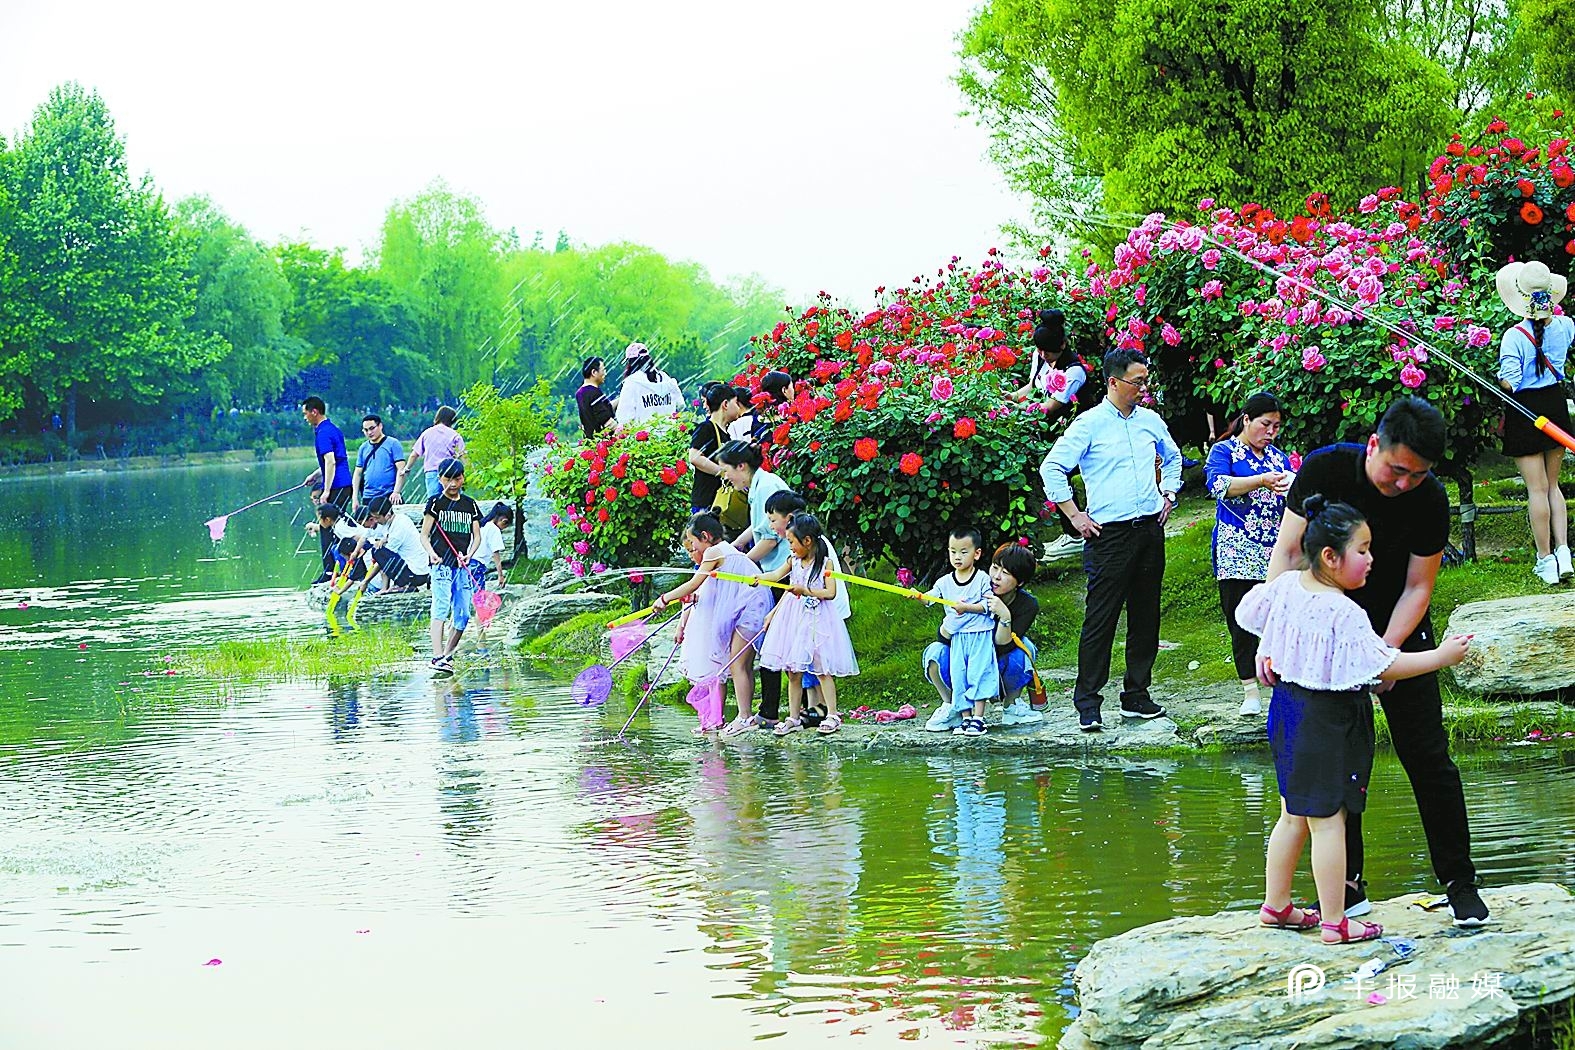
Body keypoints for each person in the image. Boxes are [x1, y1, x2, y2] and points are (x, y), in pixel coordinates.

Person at [1266, 396, 1489, 927]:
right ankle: (1347, 892)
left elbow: (1419, 587)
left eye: (1418, 474)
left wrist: (1381, 655)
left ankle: (1460, 884)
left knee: (1428, 756)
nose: (1404, 483)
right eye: (1397, 470)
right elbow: (1289, 554)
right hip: (1322, 637)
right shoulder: (1326, 469)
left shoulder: (1428, 499)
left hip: (1396, 629)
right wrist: (1276, 637)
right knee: (1335, 765)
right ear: (1374, 446)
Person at [1239, 496, 1470, 944]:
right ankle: (1334, 921)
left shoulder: (1286, 587)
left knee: (1292, 814)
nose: (1371, 560)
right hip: (1327, 721)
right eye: (1362, 551)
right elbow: (1382, 666)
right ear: (1330, 556)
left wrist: (1274, 645)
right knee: (1329, 822)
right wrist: (1441, 657)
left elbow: (1249, 613)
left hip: (1285, 712)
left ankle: (1277, 906)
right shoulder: (1344, 612)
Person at [1039, 348, 1182, 731]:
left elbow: (1173, 457)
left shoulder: (1150, 421)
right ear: (1113, 382)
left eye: (1145, 381)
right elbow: (1052, 467)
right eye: (1137, 382)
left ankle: (1136, 695)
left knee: (1146, 616)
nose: (1143, 388)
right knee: (1100, 619)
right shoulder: (1089, 425)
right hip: (1108, 535)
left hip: (1149, 530)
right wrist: (1074, 517)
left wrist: (1168, 494)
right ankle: (1088, 702)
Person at [1204, 392, 1295, 716]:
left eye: (1276, 426)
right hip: (1236, 548)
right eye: (1265, 424)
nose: (1271, 432)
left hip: (1276, 551)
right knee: (1241, 621)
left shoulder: (1279, 458)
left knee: (1279, 620)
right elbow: (1217, 485)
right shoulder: (1224, 450)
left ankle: (1282, 686)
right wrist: (1260, 481)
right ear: (1247, 420)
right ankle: (1249, 691)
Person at [652, 512, 773, 736]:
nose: (692, 548)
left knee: (737, 664)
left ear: (705, 537)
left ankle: (745, 717)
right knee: (740, 664)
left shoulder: (715, 551)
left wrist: (664, 598)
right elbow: (705, 589)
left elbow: (694, 582)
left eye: (693, 542)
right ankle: (737, 716)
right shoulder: (725, 552)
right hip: (750, 607)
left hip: (751, 609)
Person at [1494, 260, 1572, 586]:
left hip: (1525, 410)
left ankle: (1546, 560)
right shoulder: (1566, 327)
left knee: (1536, 490)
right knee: (1553, 486)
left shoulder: (1514, 337)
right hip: (1554, 406)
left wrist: (1501, 379)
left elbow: (1511, 381)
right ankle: (1565, 551)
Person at [755, 513, 858, 736]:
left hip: (819, 619)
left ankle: (832, 714)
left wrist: (806, 591)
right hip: (795, 619)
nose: (790, 546)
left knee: (822, 668)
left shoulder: (825, 563)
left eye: (792, 542)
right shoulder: (793, 561)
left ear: (807, 541)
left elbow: (830, 592)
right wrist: (760, 578)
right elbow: (775, 574)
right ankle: (793, 718)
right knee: (793, 671)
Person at [922, 541, 1043, 730]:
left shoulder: (1027, 605)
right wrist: (957, 617)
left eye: (1006, 573)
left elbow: (1003, 645)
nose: (996, 577)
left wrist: (1005, 616)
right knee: (934, 652)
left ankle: (1011, 706)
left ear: (1019, 582)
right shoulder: (974, 588)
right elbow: (944, 638)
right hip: (963, 660)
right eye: (995, 568)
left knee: (1025, 648)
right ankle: (951, 706)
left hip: (997, 663)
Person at [717, 440, 791, 729]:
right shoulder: (758, 486)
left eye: (726, 472)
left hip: (782, 571)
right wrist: (735, 547)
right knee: (770, 640)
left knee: (772, 640)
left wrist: (742, 565)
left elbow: (772, 538)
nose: (725, 478)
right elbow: (759, 527)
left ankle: (770, 710)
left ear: (741, 466)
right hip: (774, 570)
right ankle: (769, 708)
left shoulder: (765, 487)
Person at [920, 526, 1000, 737]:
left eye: (963, 552)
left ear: (977, 553)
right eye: (953, 551)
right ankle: (965, 719)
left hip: (980, 636)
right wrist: (918, 596)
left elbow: (987, 605)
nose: (957, 557)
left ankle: (979, 719)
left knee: (978, 674)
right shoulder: (945, 582)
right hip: (958, 639)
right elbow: (931, 598)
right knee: (959, 676)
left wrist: (967, 608)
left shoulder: (982, 578)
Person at [421, 458, 483, 671]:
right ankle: (437, 656)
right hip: (441, 565)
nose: (453, 484)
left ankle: (447, 655)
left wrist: (470, 554)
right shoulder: (435, 503)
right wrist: (432, 554)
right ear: (440, 479)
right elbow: (424, 535)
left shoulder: (470, 505)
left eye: (456, 478)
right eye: (447, 479)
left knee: (464, 614)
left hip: (462, 565)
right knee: (440, 607)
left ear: (462, 478)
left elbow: (477, 537)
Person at [302, 396, 351, 582]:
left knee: (327, 528)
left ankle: (330, 571)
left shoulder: (323, 433)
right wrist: (316, 475)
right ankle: (340, 569)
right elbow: (333, 461)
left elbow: (330, 461)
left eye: (306, 413)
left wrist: (326, 491)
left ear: (314, 412)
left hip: (336, 486)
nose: (305, 417)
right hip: (344, 484)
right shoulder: (332, 429)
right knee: (337, 527)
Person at [354, 496, 430, 593]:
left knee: (377, 552)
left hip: (417, 574)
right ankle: (399, 584)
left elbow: (385, 562)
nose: (376, 521)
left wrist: (366, 581)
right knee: (379, 550)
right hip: (419, 570)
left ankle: (404, 584)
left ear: (388, 515)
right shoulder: (396, 520)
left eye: (377, 518)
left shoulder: (399, 526)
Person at [689, 382, 742, 512]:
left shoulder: (726, 434)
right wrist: (723, 472)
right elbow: (695, 457)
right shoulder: (706, 428)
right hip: (706, 501)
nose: (738, 408)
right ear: (725, 404)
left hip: (718, 502)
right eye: (735, 403)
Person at [402, 406, 467, 502]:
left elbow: (414, 454)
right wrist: (468, 473)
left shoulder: (427, 433)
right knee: (454, 502)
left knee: (433, 503)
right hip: (450, 472)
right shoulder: (454, 435)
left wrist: (407, 469)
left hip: (432, 472)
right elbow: (463, 456)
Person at [614, 342, 685, 427]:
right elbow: (681, 405)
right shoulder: (666, 379)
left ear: (630, 363)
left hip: (645, 437)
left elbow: (625, 417)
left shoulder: (631, 383)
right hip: (669, 435)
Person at [352, 414, 405, 514]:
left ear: (380, 426)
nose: (369, 432)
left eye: (372, 428)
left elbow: (401, 470)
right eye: (366, 430)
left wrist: (396, 492)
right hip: (368, 496)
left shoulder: (393, 444)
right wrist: (355, 498)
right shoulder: (363, 448)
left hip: (388, 494)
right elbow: (358, 473)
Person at [575, 357, 617, 439]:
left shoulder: (580, 393)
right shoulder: (594, 392)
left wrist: (620, 399)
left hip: (590, 440)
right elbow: (606, 420)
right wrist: (624, 432)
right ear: (594, 372)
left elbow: (604, 408)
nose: (605, 373)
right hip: (602, 443)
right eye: (603, 370)